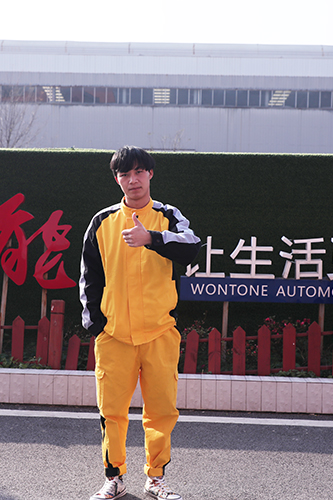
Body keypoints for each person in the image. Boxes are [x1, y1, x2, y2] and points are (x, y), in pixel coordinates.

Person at [79, 146, 201, 500]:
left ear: (150, 174)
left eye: (138, 172)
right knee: (111, 412)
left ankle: (156, 478)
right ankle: (114, 477)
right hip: (114, 335)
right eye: (125, 174)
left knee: (161, 411)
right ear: (117, 179)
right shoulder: (102, 222)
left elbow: (192, 245)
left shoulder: (167, 215)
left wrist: (152, 238)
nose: (132, 180)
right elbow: (88, 277)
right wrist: (96, 325)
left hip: (160, 332)